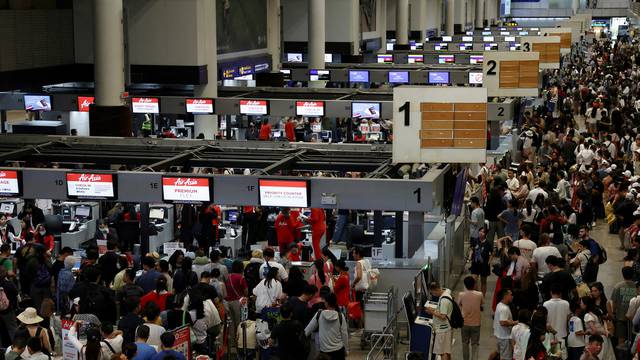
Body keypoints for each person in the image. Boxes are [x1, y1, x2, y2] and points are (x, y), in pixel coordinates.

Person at [304, 293, 349, 359]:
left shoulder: (319, 315)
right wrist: (346, 349)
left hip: (324, 353)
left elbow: (307, 330)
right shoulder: (340, 316)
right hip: (339, 351)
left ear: (327, 303)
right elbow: (344, 334)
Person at [458, 276, 483, 360]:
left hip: (464, 322)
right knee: (475, 344)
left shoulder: (461, 294)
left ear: (465, 284)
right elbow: (481, 304)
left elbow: (459, 304)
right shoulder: (479, 294)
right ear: (474, 284)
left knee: (465, 343)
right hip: (476, 323)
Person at [610, 266, 636, 346]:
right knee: (634, 339)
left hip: (620, 317)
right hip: (634, 318)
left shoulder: (618, 286)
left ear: (622, 274)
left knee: (621, 340)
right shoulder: (636, 287)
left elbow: (614, 302)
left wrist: (614, 312)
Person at [225, 260, 247, 352]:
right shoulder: (241, 277)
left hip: (227, 302)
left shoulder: (228, 276)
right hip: (238, 302)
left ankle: (232, 343)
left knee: (231, 323)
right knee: (239, 322)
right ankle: (240, 341)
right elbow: (245, 290)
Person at [494, 289, 517, 360]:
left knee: (499, 354)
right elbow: (502, 322)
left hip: (499, 335)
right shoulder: (504, 309)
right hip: (505, 337)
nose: (512, 296)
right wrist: (516, 322)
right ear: (505, 296)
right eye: (510, 295)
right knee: (506, 358)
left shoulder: (499, 304)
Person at [469, 226, 492, 296]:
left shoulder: (488, 243)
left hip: (484, 265)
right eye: (480, 231)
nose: (481, 233)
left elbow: (492, 253)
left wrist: (489, 261)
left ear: (485, 234)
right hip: (475, 264)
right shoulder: (475, 240)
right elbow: (471, 249)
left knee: (483, 281)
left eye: (483, 232)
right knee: (473, 280)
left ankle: (482, 296)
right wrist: (470, 256)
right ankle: (477, 295)